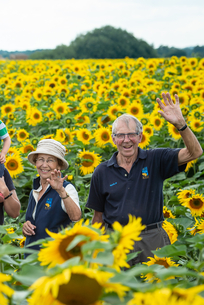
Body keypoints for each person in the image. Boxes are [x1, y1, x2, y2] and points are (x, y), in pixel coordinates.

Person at [86, 92, 203, 265]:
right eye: (121, 135)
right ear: (113, 139)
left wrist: (181, 125)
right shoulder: (102, 171)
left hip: (151, 237)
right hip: (116, 240)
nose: (127, 140)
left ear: (140, 137)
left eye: (132, 134)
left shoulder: (155, 159)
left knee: (158, 286)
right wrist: (94, 249)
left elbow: (195, 153)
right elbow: (98, 217)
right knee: (119, 288)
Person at [22, 139, 81, 250]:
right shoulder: (35, 190)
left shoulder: (67, 188)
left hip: (55, 256)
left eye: (50, 160)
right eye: (41, 159)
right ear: (36, 163)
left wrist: (61, 191)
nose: (44, 165)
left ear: (58, 166)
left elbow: (76, 217)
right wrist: (25, 227)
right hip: (31, 259)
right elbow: (34, 222)